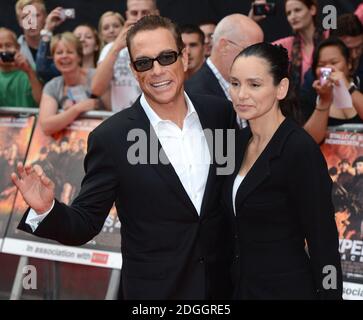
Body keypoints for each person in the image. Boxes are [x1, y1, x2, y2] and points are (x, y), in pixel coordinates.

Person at [12, 15, 235, 300]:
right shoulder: (112, 138)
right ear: (133, 69)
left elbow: (228, 198)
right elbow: (85, 223)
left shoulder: (219, 114)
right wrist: (46, 209)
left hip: (222, 287)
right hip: (156, 293)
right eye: (144, 62)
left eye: (166, 57)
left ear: (185, 57)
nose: (157, 71)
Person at [224, 42, 342, 299]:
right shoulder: (235, 143)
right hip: (240, 288)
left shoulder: (299, 149)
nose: (241, 94)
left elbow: (323, 240)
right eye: (235, 83)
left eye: (254, 85)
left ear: (281, 88)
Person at [185, 14, 263, 128]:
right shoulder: (195, 93)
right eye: (251, 51)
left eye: (260, 52)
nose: (257, 59)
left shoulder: (252, 86)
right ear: (224, 46)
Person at [92, 0, 159, 112]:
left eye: (145, 12)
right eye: (134, 13)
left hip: (159, 118)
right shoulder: (111, 48)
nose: (139, 18)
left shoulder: (167, 44)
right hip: (126, 122)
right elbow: (96, 89)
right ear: (127, 15)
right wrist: (116, 47)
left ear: (156, 14)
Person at [38, 32, 107, 136]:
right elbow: (46, 126)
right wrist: (77, 109)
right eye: (59, 53)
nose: (64, 56)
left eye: (69, 52)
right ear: (54, 58)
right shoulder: (52, 86)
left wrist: (64, 117)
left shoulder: (96, 76)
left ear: (79, 57)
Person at [250, 0, 325, 92]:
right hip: (299, 104)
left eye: (297, 10)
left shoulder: (329, 37)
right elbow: (253, 53)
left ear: (312, 9)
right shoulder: (286, 44)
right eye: (289, 13)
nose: (293, 16)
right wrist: (252, 20)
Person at [303, 38, 363, 144]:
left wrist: (348, 87)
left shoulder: (360, 84)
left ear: (349, 63)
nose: (328, 69)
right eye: (321, 65)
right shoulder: (311, 93)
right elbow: (310, 141)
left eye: (334, 63)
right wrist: (324, 100)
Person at [36, 8, 101, 82]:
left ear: (96, 45)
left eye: (88, 37)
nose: (82, 40)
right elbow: (42, 69)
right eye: (78, 37)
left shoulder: (104, 71)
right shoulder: (63, 71)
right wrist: (48, 29)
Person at [0, 27, 42, 107]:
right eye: (0, 46)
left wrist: (29, 71)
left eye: (8, 45)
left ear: (18, 48)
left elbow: (41, 102)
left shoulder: (32, 69)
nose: (4, 50)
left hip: (30, 118)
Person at [15, 0, 47, 69]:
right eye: (25, 17)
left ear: (45, 17)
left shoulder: (58, 47)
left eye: (35, 15)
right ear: (19, 21)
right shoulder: (14, 50)